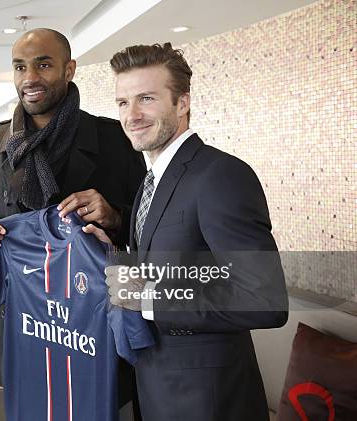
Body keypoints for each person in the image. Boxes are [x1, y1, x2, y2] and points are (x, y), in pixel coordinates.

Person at [0, 27, 146, 416]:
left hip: (89, 321)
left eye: (43, 65)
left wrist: (114, 216)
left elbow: (148, 227)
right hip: (23, 322)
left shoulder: (113, 139)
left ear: (69, 69)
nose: (30, 78)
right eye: (20, 67)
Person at [96, 43, 288, 421]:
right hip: (157, 386)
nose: (131, 115)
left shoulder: (221, 176)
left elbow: (264, 299)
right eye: (122, 102)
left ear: (182, 103)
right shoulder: (150, 180)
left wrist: (149, 298)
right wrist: (116, 252)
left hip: (208, 400)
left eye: (146, 99)